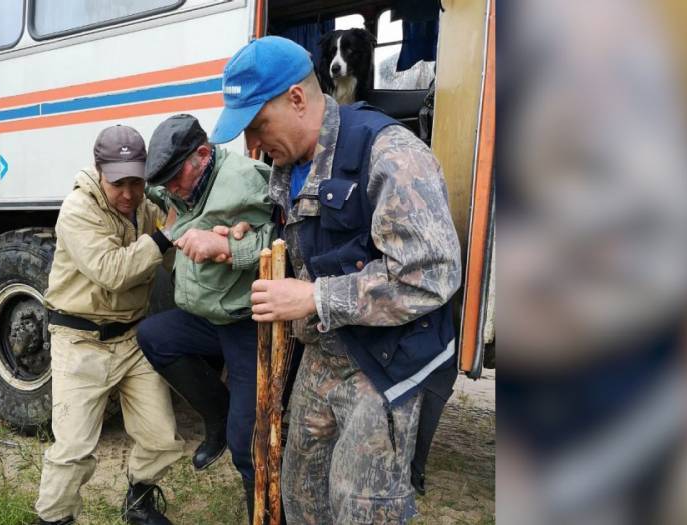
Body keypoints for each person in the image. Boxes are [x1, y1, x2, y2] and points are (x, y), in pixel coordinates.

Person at [210, 36, 461, 524]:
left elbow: (432, 273)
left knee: (362, 508)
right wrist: (248, 237)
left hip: (386, 362)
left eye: (258, 126)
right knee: (301, 494)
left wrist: (313, 297)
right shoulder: (288, 168)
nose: (254, 145)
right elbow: (316, 243)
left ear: (298, 99)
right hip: (325, 353)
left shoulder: (387, 151)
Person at [34, 125, 184, 525]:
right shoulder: (78, 209)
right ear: (99, 171)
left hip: (132, 336)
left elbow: (172, 259)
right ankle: (54, 519)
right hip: (79, 338)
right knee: (73, 449)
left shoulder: (147, 207)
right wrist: (168, 237)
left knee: (161, 438)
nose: (129, 194)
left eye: (137, 182)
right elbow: (112, 271)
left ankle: (140, 504)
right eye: (119, 183)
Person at [134, 114, 275, 521]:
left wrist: (226, 247)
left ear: (203, 153)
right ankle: (218, 415)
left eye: (177, 178)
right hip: (206, 319)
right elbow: (164, 196)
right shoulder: (181, 185)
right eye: (166, 185)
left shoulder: (249, 179)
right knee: (155, 336)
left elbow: (288, 237)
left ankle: (263, 512)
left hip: (246, 322)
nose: (173, 189)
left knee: (248, 441)